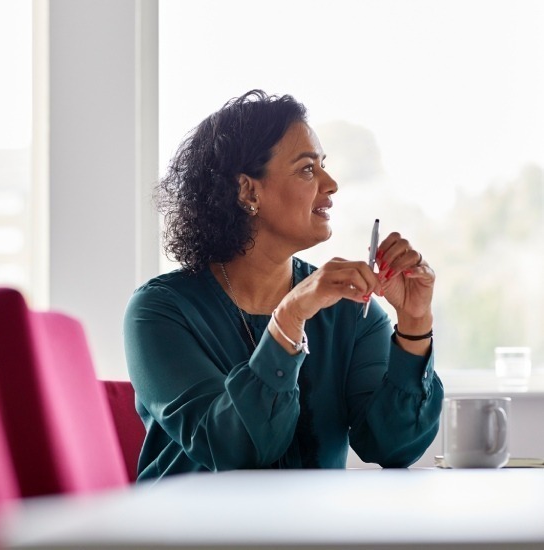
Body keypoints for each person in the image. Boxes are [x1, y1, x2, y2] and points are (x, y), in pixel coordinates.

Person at [124, 90, 443, 482]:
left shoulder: (351, 311)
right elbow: (234, 449)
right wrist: (291, 316)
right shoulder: (160, 311)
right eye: (308, 169)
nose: (331, 184)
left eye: (323, 165)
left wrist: (414, 322)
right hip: (188, 532)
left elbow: (394, 447)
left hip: (310, 535)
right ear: (248, 190)